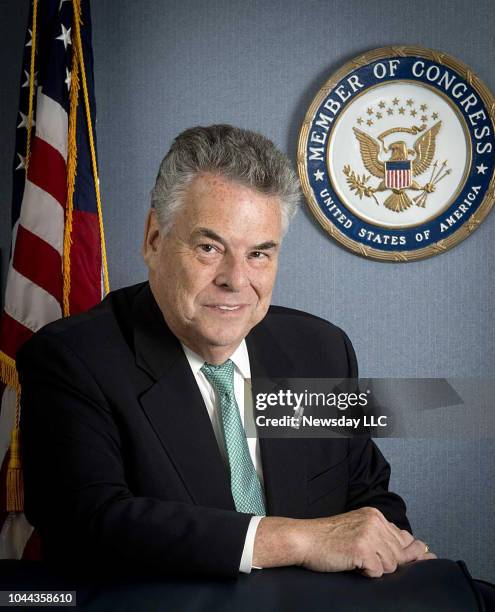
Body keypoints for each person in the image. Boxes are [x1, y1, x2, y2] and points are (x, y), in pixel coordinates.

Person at [18, 124, 435, 581]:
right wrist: (295, 539)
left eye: (259, 254)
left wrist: (389, 550)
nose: (236, 280)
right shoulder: (72, 360)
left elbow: (370, 500)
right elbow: (89, 524)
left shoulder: (320, 351)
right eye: (209, 247)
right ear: (154, 239)